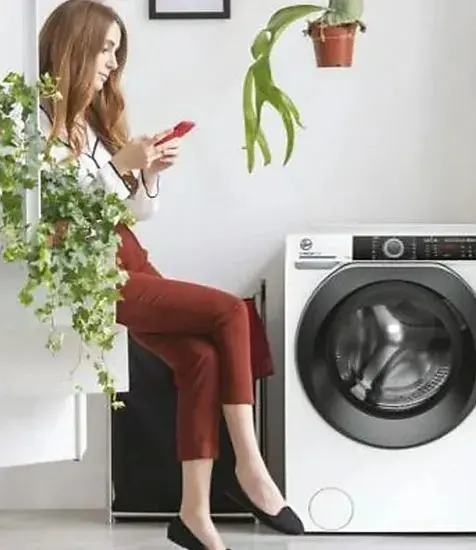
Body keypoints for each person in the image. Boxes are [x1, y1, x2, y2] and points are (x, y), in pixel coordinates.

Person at [37, 2, 301, 549]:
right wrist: (120, 167)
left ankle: (193, 515)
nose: (113, 63)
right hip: (93, 274)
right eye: (105, 49)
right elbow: (59, 217)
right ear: (73, 46)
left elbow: (132, 213)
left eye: (117, 51)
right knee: (229, 312)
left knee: (202, 359)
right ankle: (250, 466)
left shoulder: (92, 122)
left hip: (129, 257)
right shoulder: (35, 126)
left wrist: (148, 175)